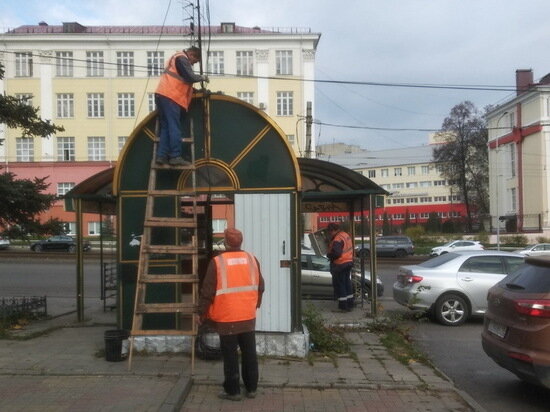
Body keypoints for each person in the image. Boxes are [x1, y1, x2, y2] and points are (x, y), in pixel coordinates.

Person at [198, 228, 265, 401]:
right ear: (241, 242)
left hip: (227, 318)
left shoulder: (217, 262)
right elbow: (260, 287)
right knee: (249, 353)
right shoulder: (252, 259)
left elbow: (207, 292)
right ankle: (251, 389)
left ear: (226, 243)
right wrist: (255, 305)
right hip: (247, 316)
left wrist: (201, 313)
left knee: (230, 356)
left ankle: (233, 391)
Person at [154, 46, 208, 166]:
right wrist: (202, 77)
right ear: (192, 55)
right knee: (174, 127)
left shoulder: (175, 58)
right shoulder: (182, 58)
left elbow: (181, 79)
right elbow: (190, 77)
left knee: (166, 127)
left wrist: (193, 90)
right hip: (171, 96)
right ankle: (175, 156)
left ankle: (161, 156)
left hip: (162, 94)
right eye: (195, 61)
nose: (193, 64)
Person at [326, 222, 354, 312]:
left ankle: (343, 306)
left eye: (330, 232)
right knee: (347, 283)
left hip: (340, 264)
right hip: (348, 262)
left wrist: (329, 255)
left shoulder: (337, 239)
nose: (330, 234)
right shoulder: (345, 235)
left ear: (333, 230)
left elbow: (337, 253)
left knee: (340, 285)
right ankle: (350, 303)